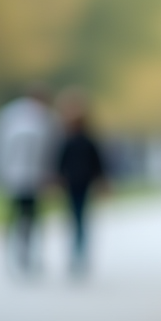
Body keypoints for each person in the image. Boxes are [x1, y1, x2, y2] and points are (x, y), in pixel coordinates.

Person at [0, 86, 58, 275]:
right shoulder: (16, 117)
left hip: (31, 177)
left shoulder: (44, 119)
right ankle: (19, 253)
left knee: (30, 218)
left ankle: (27, 253)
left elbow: (49, 151)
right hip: (19, 177)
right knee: (20, 217)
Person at [56, 97, 106, 276]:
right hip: (74, 184)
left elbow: (97, 163)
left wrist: (101, 181)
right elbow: (60, 164)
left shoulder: (85, 141)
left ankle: (79, 253)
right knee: (77, 218)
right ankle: (77, 253)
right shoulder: (71, 141)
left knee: (78, 218)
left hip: (82, 183)